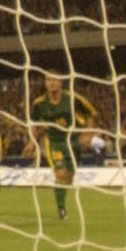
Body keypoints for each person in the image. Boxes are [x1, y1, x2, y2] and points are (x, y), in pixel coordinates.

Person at [24, 73, 96, 222]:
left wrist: (88, 134)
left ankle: (61, 202)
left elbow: (91, 114)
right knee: (61, 174)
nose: (52, 83)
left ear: (61, 82)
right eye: (49, 80)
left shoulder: (72, 98)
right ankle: (61, 209)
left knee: (68, 178)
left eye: (55, 80)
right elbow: (34, 124)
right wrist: (32, 141)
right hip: (53, 141)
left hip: (72, 141)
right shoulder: (39, 103)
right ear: (45, 83)